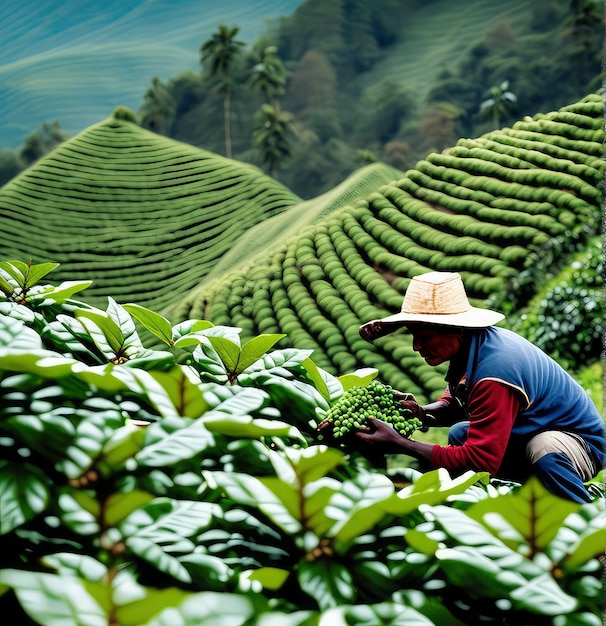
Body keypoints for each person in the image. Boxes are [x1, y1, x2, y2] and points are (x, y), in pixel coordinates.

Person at [320, 271, 605, 503]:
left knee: (542, 450)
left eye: (425, 336)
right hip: (530, 429)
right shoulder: (472, 347)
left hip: (578, 445)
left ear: (456, 329)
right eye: (413, 335)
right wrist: (420, 412)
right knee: (460, 432)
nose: (416, 346)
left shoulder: (494, 372)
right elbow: (456, 403)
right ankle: (500, 501)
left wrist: (401, 444)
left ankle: (586, 524)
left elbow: (482, 461)